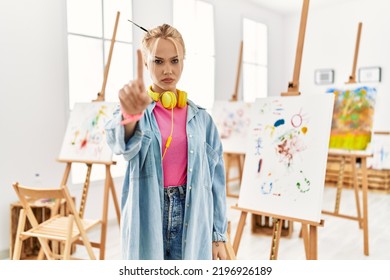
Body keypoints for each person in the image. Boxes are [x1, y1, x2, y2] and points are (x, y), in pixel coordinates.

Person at [105, 23, 227, 260]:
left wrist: (218, 234)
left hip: (192, 214)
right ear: (146, 63)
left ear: (183, 61)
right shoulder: (136, 111)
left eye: (175, 60)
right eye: (158, 61)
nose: (168, 69)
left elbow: (216, 182)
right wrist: (130, 115)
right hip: (149, 211)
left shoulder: (202, 119)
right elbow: (117, 142)